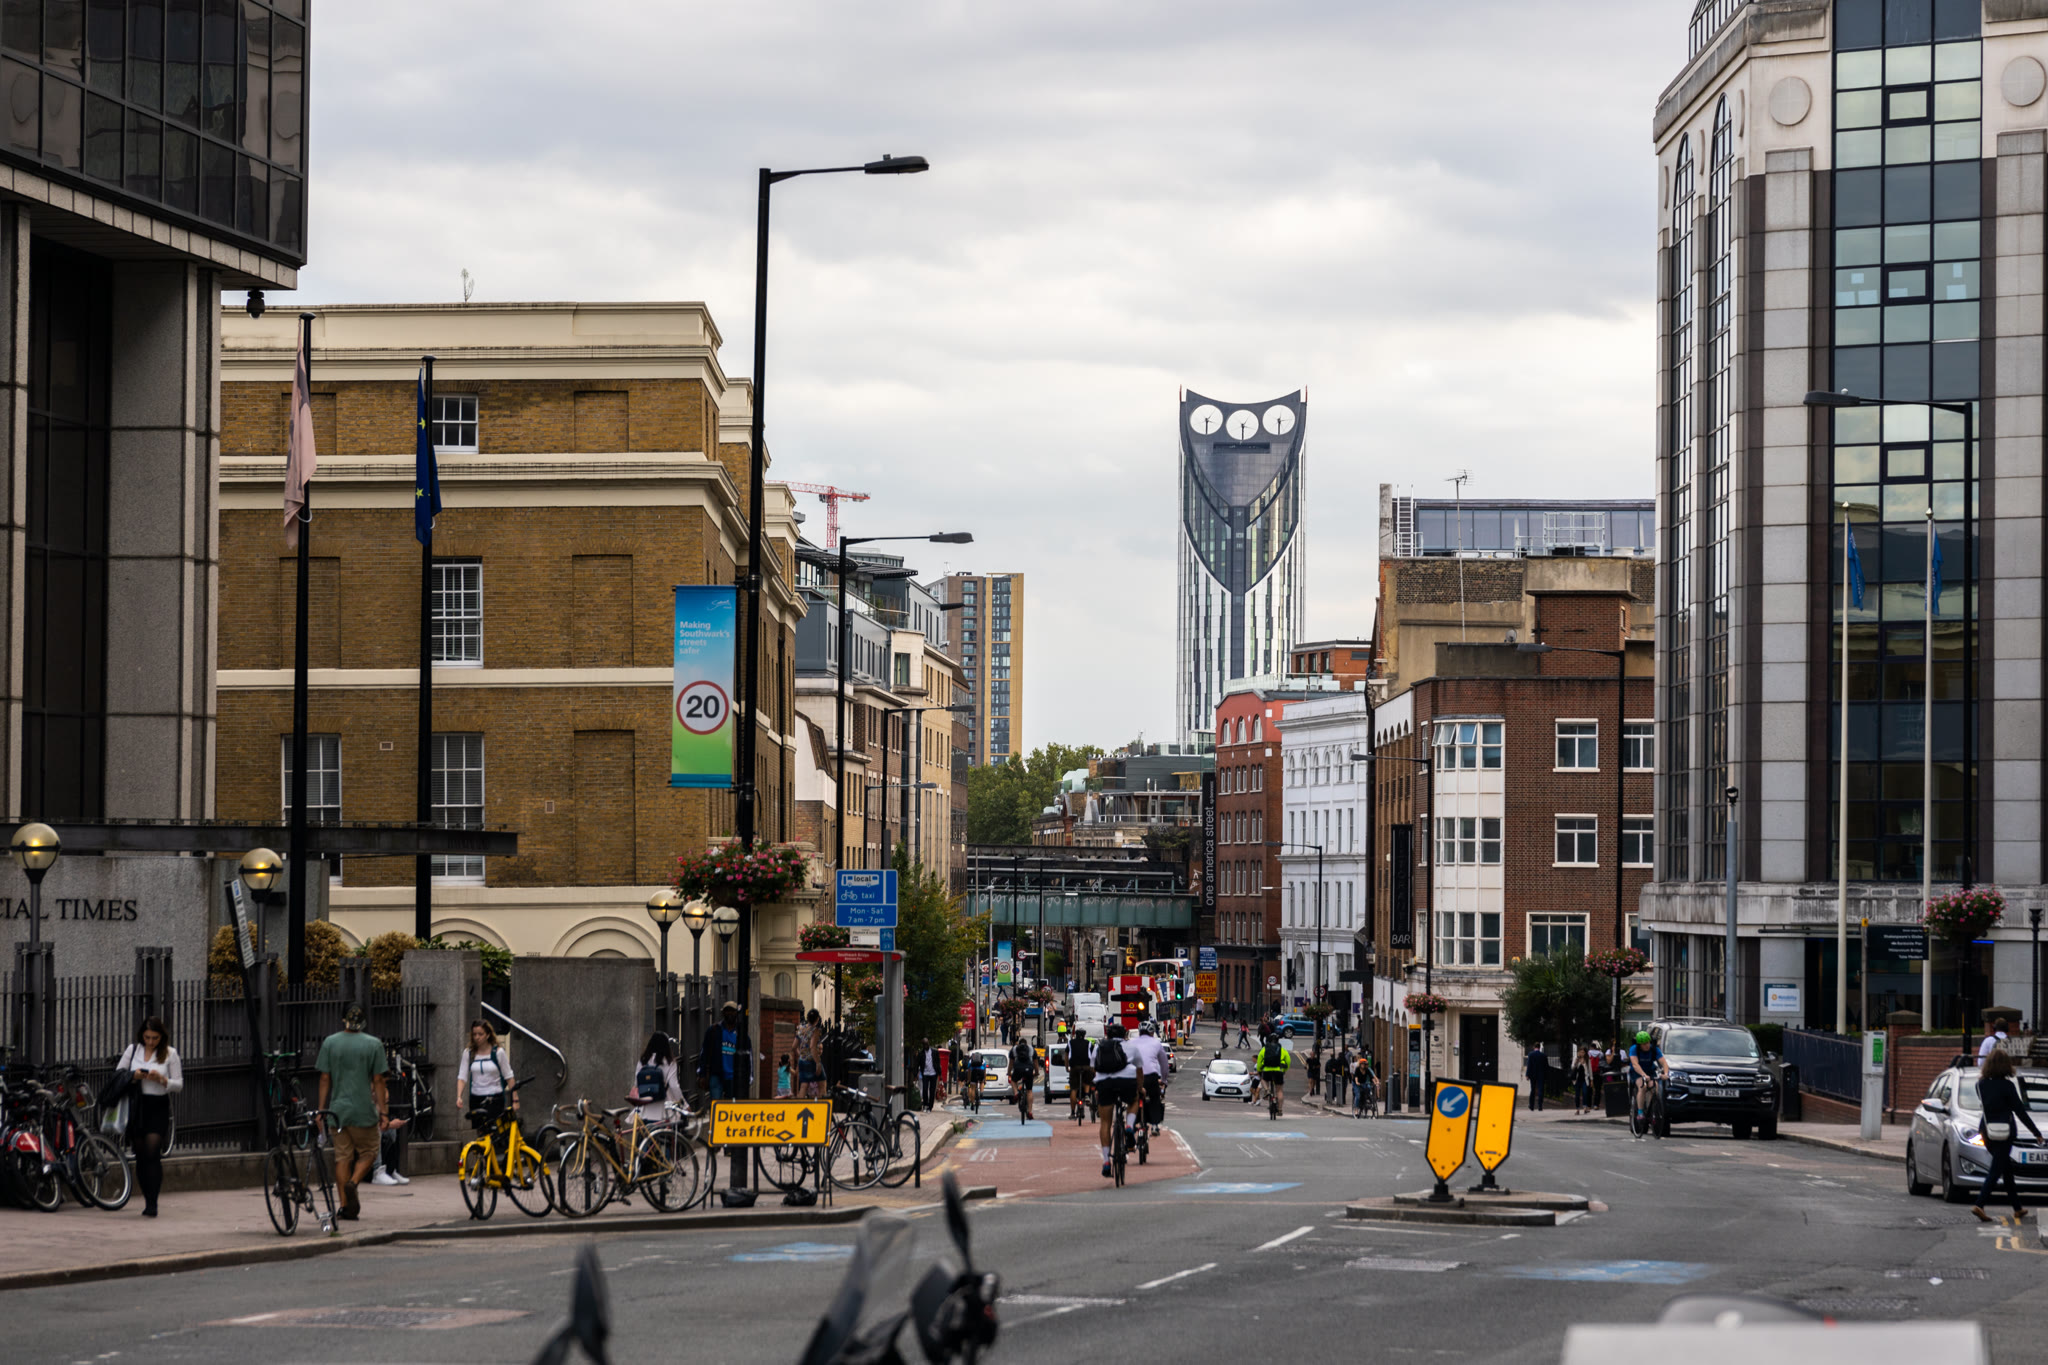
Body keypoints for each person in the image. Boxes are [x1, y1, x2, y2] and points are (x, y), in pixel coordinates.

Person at [316, 1004, 389, 1223]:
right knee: (369, 1152)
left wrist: (321, 1109)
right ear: (364, 1021)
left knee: (342, 1158)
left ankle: (344, 1206)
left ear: (343, 1019)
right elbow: (378, 1079)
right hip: (363, 1111)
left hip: (337, 1111)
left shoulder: (330, 1043)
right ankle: (354, 1182)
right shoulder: (374, 1044)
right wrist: (384, 1113)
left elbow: (325, 1078)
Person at [117, 1015, 182, 1217]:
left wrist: (163, 1080)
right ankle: (147, 1197)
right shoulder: (133, 1050)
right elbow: (118, 1074)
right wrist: (134, 1075)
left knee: (153, 1152)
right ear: (142, 1036)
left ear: (161, 1037)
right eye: (147, 1037)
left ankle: (152, 1202)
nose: (151, 1042)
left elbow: (179, 1084)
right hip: (138, 1105)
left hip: (158, 1105)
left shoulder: (170, 1054)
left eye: (155, 1038)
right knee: (140, 1155)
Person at [1971, 1049, 2040, 1222]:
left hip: (1987, 1131)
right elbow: (2020, 1111)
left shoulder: (1980, 1085)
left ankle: (2017, 1208)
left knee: (2006, 1169)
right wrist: (2036, 1132)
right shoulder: (2008, 1086)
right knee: (1996, 1170)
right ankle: (1979, 1204)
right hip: (2005, 1132)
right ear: (2005, 1065)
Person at [1092, 1022, 1140, 1177]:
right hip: (1126, 1081)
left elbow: (1093, 1068)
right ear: (1125, 1035)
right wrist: (1140, 1088)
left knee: (1105, 1123)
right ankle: (1129, 1126)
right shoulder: (1132, 1047)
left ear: (1107, 1035)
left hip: (1104, 1083)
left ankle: (1106, 1161)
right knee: (1134, 1100)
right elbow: (1139, 1070)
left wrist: (1096, 1086)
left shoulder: (1099, 1048)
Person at [455, 1020, 516, 1128]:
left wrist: (515, 1099)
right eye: (474, 1034)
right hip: (476, 1099)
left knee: (494, 1131)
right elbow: (462, 1076)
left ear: (488, 1035)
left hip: (494, 1099)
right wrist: (459, 1096)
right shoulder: (469, 1053)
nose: (477, 1037)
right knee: (480, 1131)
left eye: (480, 1034)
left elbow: (509, 1077)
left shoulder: (498, 1052)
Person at [697, 1002, 754, 1102]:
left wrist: (749, 1078)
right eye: (727, 1011)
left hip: (733, 1077)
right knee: (716, 1103)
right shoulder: (713, 1030)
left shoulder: (742, 1034)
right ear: (723, 1013)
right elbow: (704, 1052)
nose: (730, 1013)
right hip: (716, 1074)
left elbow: (749, 1057)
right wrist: (701, 1073)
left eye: (732, 1011)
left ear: (737, 1013)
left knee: (731, 1106)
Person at [632, 1032, 683, 1122]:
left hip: (645, 1108)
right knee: (663, 1130)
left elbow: (636, 1083)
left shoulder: (643, 1060)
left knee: (645, 1130)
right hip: (663, 1107)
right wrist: (684, 1104)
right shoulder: (669, 1062)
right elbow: (674, 1085)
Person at [1129, 1022, 1168, 1136]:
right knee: (1155, 1098)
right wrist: (1164, 1080)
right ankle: (1155, 1125)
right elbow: (1164, 1064)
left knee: (1133, 1099)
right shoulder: (1156, 1043)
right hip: (1151, 1076)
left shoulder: (1131, 1042)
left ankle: (1131, 1123)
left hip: (1134, 1076)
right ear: (1151, 1033)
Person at [1626, 1030, 1666, 1139]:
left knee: (1654, 1086)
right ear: (1639, 1044)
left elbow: (1663, 1062)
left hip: (1650, 1070)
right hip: (1637, 1072)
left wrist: (1666, 1073)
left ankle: (1651, 1107)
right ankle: (1640, 1112)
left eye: (1648, 1043)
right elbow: (1635, 1064)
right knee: (1642, 1086)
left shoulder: (1654, 1049)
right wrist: (1643, 1075)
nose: (1646, 1045)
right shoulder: (1634, 1049)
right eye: (1643, 1044)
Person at [1254, 1035, 1292, 1119]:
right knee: (1279, 1090)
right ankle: (1280, 1110)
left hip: (1267, 1070)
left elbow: (1259, 1061)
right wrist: (1284, 1070)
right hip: (1278, 1071)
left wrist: (1259, 1070)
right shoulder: (1282, 1050)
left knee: (1263, 1079)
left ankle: (1267, 1090)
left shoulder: (1264, 1049)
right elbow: (1288, 1061)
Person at [796, 1010, 825, 1100]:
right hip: (812, 1060)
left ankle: (799, 1104)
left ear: (807, 1018)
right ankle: (821, 1106)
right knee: (822, 1085)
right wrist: (818, 1063)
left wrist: (801, 1055)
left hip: (802, 1060)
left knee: (804, 1085)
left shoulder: (801, 1028)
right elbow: (812, 1047)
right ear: (817, 1019)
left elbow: (794, 1046)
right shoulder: (815, 1030)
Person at [1008, 1035, 1038, 1120]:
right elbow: (1036, 1063)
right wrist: (1036, 1072)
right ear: (1026, 1044)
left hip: (1018, 1068)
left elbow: (1011, 1063)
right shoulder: (1032, 1049)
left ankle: (1016, 1093)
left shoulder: (1014, 1049)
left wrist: (1009, 1072)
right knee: (1029, 1091)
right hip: (1029, 1069)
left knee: (1013, 1080)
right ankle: (1030, 1112)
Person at [1066, 1026, 1094, 1120]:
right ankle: (1086, 1095)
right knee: (1087, 1082)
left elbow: (1066, 1055)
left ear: (1075, 1035)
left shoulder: (1070, 1043)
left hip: (1075, 1067)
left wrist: (1067, 1067)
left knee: (1074, 1089)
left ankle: (1072, 1112)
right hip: (1086, 1067)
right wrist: (1092, 1068)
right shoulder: (1089, 1043)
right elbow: (1092, 1057)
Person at [917, 1039, 941, 1111]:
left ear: (928, 1044)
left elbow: (938, 1063)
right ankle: (925, 1104)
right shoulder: (921, 1053)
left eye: (926, 1044)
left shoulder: (935, 1052)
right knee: (925, 1089)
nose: (925, 1046)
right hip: (925, 1073)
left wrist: (940, 1074)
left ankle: (930, 1106)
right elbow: (917, 1063)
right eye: (924, 1045)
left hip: (933, 1073)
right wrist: (916, 1074)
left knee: (932, 1090)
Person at [1524, 1043, 1548, 1112]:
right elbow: (1546, 1067)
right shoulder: (1543, 1055)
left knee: (1533, 1090)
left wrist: (1527, 1075)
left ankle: (1531, 1106)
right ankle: (1540, 1106)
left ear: (1534, 1047)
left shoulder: (1531, 1054)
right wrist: (1546, 1076)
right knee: (1541, 1090)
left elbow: (1529, 1065)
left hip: (1533, 1075)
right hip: (1541, 1075)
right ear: (1540, 1047)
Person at [1570, 1050, 1592, 1116]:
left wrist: (1591, 1079)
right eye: (1580, 1052)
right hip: (1577, 1080)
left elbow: (1590, 1070)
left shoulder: (1587, 1060)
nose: (1582, 1053)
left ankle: (1585, 1108)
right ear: (1578, 1052)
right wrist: (1577, 1062)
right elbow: (1572, 1067)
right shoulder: (1576, 1058)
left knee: (1585, 1093)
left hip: (1584, 1079)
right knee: (1577, 1095)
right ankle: (1577, 1109)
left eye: (1583, 1052)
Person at [964, 1049, 986, 1113]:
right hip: (981, 1072)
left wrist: (969, 1079)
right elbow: (984, 1071)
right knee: (982, 1082)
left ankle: (973, 1103)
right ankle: (981, 1092)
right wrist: (985, 1079)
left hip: (974, 1072)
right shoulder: (983, 1061)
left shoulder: (971, 1061)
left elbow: (969, 1071)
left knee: (973, 1088)